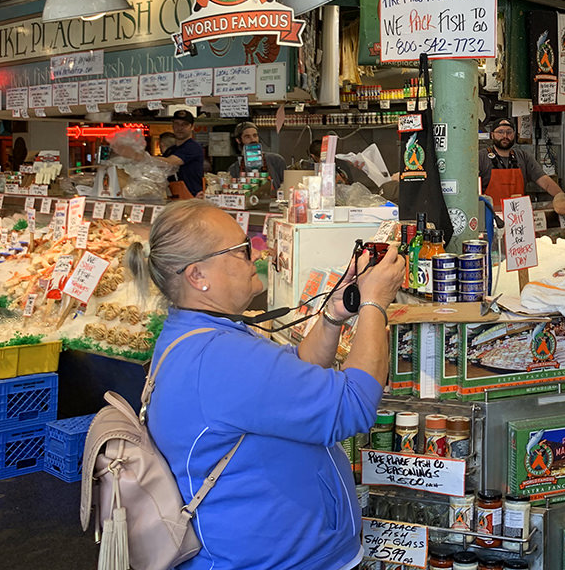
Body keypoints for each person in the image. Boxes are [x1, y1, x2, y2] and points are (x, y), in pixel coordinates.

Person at [124, 199, 405, 570]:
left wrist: (335, 314)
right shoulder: (219, 358)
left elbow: (299, 370)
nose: (256, 253)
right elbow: (352, 405)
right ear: (197, 276)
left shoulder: (196, 335)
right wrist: (374, 303)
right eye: (241, 250)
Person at [479, 117, 562, 210]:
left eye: (509, 132)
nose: (505, 136)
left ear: (514, 135)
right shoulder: (481, 157)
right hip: (491, 215)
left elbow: (545, 181)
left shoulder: (523, 157)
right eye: (500, 132)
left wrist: (562, 198)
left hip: (519, 217)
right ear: (492, 135)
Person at [156, 109, 205, 197]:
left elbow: (169, 162)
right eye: (177, 124)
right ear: (173, 125)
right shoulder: (171, 150)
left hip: (192, 198)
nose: (180, 128)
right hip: (174, 198)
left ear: (192, 127)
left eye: (184, 124)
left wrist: (141, 157)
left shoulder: (193, 147)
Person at [229, 121, 286, 190]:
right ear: (238, 140)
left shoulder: (276, 160)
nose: (253, 139)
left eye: (255, 135)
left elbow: (286, 185)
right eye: (247, 137)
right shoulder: (234, 169)